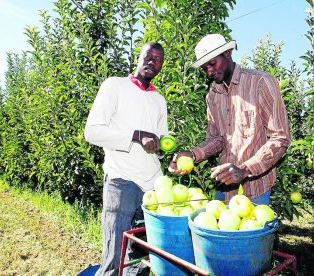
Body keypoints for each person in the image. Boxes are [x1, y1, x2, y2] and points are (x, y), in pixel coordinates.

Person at [169, 34, 290, 205]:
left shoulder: (261, 83)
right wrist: (192, 154)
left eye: (212, 64)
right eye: (205, 68)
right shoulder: (213, 95)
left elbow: (280, 137)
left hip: (255, 188)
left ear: (227, 53)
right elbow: (217, 139)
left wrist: (244, 169)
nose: (210, 72)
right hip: (224, 187)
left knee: (254, 231)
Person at [84, 42, 167, 276]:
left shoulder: (159, 100)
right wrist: (136, 136)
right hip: (121, 180)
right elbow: (92, 132)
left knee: (141, 260)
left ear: (161, 66)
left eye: (158, 60)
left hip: (152, 187)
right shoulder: (115, 86)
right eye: (148, 56)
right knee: (114, 258)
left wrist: (161, 149)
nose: (152, 62)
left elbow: (161, 141)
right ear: (138, 58)